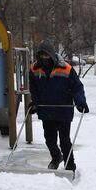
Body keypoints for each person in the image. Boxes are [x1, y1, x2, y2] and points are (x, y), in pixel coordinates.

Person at [28, 41, 89, 172]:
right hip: (46, 110)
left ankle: (70, 165)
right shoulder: (34, 69)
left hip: (63, 111)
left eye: (47, 55)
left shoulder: (66, 68)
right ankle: (56, 157)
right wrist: (35, 103)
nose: (44, 59)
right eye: (42, 56)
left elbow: (77, 87)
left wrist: (80, 102)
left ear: (52, 55)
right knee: (49, 140)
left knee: (64, 141)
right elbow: (34, 89)